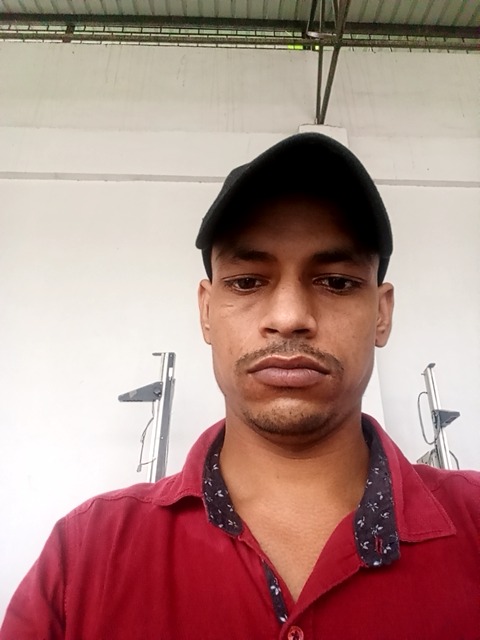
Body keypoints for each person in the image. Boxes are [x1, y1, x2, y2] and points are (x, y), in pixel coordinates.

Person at [1, 133, 479, 640]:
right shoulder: (84, 557)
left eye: (336, 282)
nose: (289, 317)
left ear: (381, 314)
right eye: (248, 281)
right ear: (207, 311)